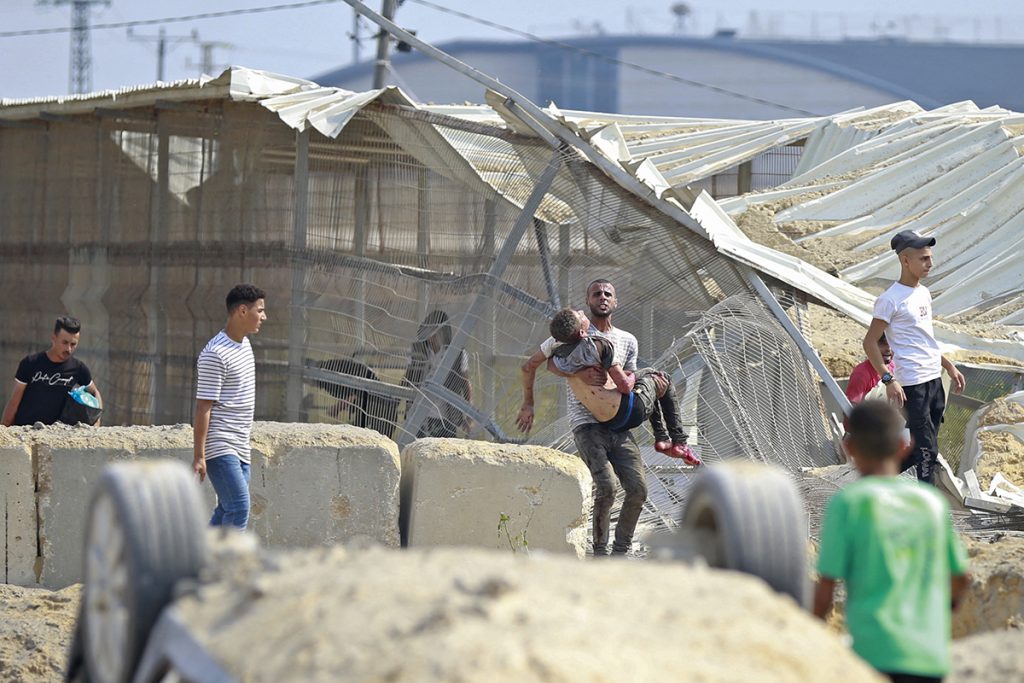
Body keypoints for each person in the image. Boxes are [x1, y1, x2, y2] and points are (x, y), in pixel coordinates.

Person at [814, 399, 969, 683]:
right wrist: (949, 607)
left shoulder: (849, 503)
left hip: (872, 655)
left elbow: (826, 587)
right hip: (928, 656)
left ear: (849, 449)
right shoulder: (931, 503)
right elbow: (959, 577)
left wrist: (811, 634)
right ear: (904, 446)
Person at [518, 279, 646, 556]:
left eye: (608, 294)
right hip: (586, 424)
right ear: (587, 302)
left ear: (615, 302)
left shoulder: (627, 340)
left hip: (618, 423)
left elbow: (630, 378)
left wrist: (629, 384)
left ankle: (620, 551)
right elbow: (536, 364)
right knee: (606, 487)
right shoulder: (568, 335)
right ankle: (598, 553)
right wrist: (531, 402)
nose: (602, 297)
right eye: (596, 293)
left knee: (637, 489)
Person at [518, 308, 700, 465]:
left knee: (650, 386)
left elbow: (535, 366)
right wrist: (635, 375)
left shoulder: (556, 351)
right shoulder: (599, 344)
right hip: (629, 410)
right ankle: (679, 442)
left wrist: (528, 403)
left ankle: (662, 438)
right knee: (661, 378)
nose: (582, 312)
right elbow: (626, 387)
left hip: (607, 421)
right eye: (580, 315)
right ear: (583, 332)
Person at [862, 230, 966, 484]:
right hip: (912, 383)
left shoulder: (924, 293)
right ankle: (926, 510)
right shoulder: (889, 300)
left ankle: (876, 482)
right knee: (927, 452)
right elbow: (869, 342)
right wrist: (888, 379)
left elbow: (924, 337)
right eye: (923, 259)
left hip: (934, 379)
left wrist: (948, 365)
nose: (929, 264)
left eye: (930, 258)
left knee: (921, 449)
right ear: (905, 261)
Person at [192, 284, 267, 530]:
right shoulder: (215, 354)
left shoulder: (244, 345)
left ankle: (199, 560)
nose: (264, 317)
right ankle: (230, 565)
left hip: (241, 445)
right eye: (260, 310)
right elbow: (204, 407)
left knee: (227, 508)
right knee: (239, 507)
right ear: (242, 311)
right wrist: (200, 456)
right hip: (221, 445)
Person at [2, 316, 103, 427]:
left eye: (73, 344)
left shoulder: (78, 368)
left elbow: (94, 392)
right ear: (53, 338)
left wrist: (96, 422)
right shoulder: (30, 363)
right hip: (25, 431)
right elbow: (13, 402)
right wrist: (4, 429)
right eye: (64, 343)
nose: (68, 349)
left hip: (56, 435)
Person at [402, 310, 473, 438]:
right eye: (429, 331)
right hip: (418, 415)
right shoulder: (416, 350)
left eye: (435, 332)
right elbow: (408, 379)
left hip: (447, 417)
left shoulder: (457, 354)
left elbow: (465, 384)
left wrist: (469, 415)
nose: (431, 337)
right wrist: (397, 401)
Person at [317, 357, 399, 439]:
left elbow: (355, 395)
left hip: (381, 412)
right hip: (379, 411)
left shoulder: (336, 376)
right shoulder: (344, 369)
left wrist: (337, 408)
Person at [845, 333, 895, 405]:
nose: (888, 349)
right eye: (882, 344)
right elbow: (850, 409)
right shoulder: (861, 373)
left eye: (891, 343)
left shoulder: (895, 367)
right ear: (871, 347)